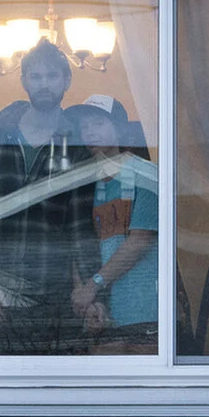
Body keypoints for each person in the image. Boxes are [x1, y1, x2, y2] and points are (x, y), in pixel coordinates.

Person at [0, 39, 103, 355]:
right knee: (1, 391)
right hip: (1, 290)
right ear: (24, 82)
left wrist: (88, 289)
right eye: (36, 76)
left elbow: (80, 226)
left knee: (59, 390)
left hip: (56, 292)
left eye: (51, 76)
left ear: (66, 81)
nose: (44, 84)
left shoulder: (77, 145)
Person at [68, 98, 158, 353]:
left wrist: (91, 286)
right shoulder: (84, 185)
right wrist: (84, 298)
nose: (90, 132)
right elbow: (76, 244)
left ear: (120, 128)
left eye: (98, 123)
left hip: (146, 309)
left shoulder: (146, 175)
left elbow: (140, 241)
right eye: (84, 127)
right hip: (102, 312)